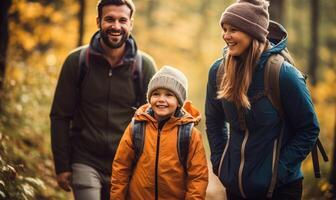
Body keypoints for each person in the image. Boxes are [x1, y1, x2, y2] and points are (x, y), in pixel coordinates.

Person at [205, 0, 320, 199]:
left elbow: (309, 129)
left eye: (233, 29)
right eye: (224, 29)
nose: (226, 36)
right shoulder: (219, 71)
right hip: (236, 189)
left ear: (253, 32)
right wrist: (220, 163)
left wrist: (277, 172)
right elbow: (214, 120)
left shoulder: (284, 75)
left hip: (280, 190)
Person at [50, 0, 157, 199]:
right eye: (109, 19)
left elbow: (156, 121)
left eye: (122, 20)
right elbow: (60, 116)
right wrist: (62, 165)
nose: (116, 26)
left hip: (128, 164)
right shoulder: (77, 62)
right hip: (85, 160)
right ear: (98, 21)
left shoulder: (144, 66)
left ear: (131, 24)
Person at [111, 66, 209, 199]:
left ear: (179, 102)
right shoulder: (137, 127)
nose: (161, 99)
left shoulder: (189, 134)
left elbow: (198, 178)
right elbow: (121, 168)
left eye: (169, 95)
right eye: (156, 94)